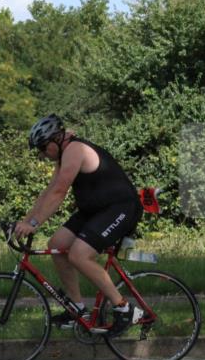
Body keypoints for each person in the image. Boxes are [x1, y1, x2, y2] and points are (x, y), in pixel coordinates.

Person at [14, 114, 143, 334]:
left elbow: (59, 192)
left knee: (79, 255)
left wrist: (34, 223)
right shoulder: (64, 155)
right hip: (94, 210)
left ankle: (124, 309)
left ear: (56, 139)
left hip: (120, 208)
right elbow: (47, 193)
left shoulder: (75, 150)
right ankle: (77, 309)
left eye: (44, 148)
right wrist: (24, 222)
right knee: (57, 245)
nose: (43, 154)